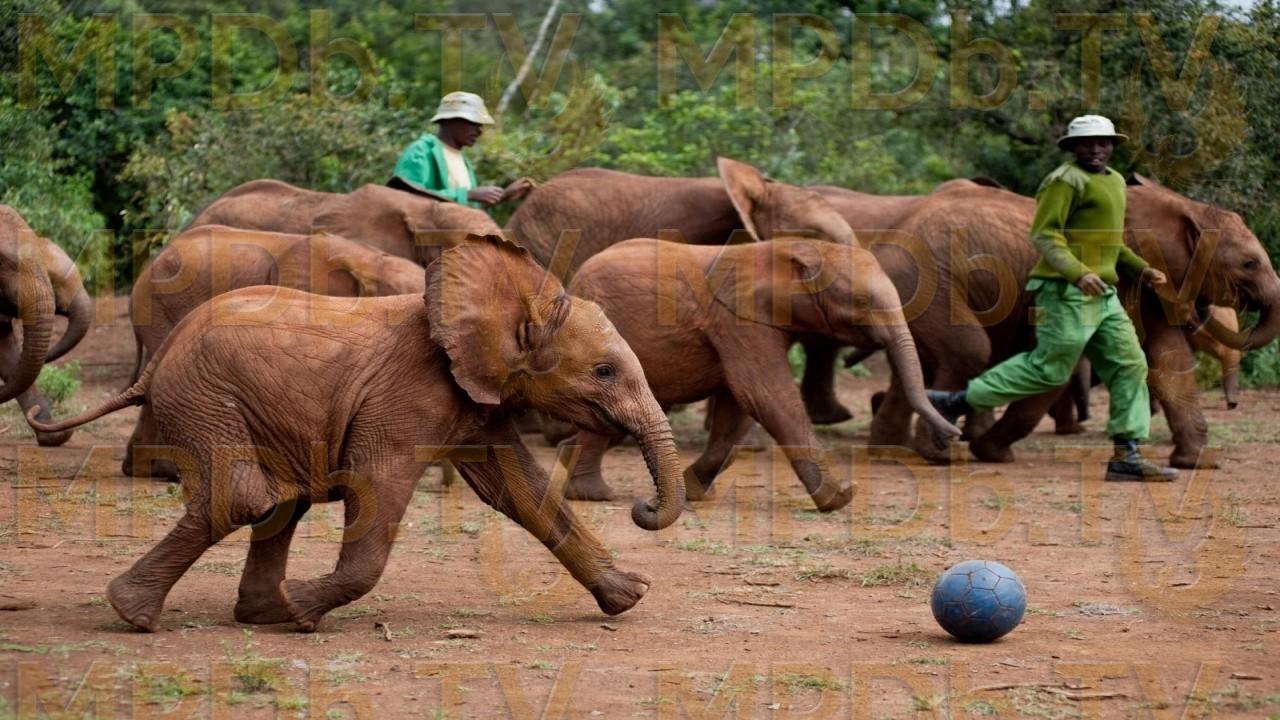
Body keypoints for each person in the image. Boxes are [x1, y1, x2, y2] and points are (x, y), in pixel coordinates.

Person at [928, 115, 1178, 482]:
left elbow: (1110, 242)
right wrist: (1078, 273)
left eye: (1103, 142)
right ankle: (954, 402)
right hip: (1064, 293)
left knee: (1130, 364)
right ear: (1073, 148)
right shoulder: (1064, 181)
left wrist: (1141, 269)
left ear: (1113, 146)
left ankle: (1128, 454)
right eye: (1086, 143)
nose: (1095, 149)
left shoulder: (1114, 182)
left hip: (1104, 295)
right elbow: (1045, 235)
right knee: (1048, 369)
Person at [389, 91, 532, 208]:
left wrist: (503, 196)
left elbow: (462, 210)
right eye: (473, 123)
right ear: (450, 120)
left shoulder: (463, 160)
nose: (480, 131)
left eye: (481, 125)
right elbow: (405, 199)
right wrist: (468, 194)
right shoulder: (421, 151)